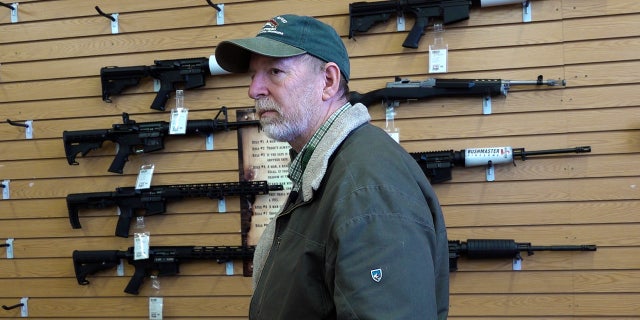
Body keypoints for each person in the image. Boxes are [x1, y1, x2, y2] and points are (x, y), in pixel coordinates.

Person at [215, 14, 449, 319]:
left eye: (275, 71)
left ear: (328, 81)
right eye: (253, 75)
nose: (254, 90)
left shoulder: (368, 189)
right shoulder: (328, 170)